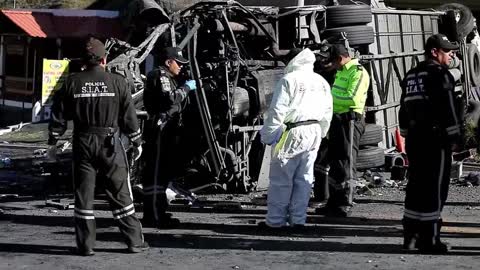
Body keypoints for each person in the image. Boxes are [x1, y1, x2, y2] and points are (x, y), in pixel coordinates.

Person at [48, 37, 148, 256]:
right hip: (110, 143)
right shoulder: (118, 82)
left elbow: (58, 117)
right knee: (120, 193)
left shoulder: (71, 82)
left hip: (83, 143)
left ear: (84, 60)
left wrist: (53, 144)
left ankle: (85, 245)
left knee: (84, 195)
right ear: (104, 59)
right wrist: (137, 141)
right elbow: (129, 118)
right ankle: (134, 242)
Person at [399, 33, 461, 254]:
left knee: (416, 186)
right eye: (447, 51)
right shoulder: (440, 74)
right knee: (435, 187)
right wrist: (454, 137)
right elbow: (449, 108)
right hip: (435, 138)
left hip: (415, 138)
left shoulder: (411, 74)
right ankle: (430, 239)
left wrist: (406, 132)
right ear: (434, 52)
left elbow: (403, 107)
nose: (451, 54)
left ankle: (411, 237)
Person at [259, 48, 332, 228]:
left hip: (293, 131)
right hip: (314, 131)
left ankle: (275, 222)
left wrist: (268, 136)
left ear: (293, 60)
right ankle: (298, 220)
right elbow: (328, 110)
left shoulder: (288, 80)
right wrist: (322, 132)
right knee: (304, 179)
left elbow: (277, 112)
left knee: (281, 179)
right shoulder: (321, 81)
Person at [141, 46, 196, 228]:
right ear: (168, 62)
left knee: (162, 173)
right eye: (178, 63)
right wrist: (186, 88)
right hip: (159, 130)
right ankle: (154, 216)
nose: (180, 67)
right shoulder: (160, 76)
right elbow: (170, 99)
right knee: (156, 173)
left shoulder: (165, 77)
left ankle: (158, 212)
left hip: (165, 130)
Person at [314, 44, 370, 217]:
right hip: (338, 119)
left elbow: (352, 98)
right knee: (336, 161)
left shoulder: (358, 72)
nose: (332, 66)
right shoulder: (341, 71)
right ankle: (333, 201)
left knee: (346, 161)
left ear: (339, 58)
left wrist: (328, 99)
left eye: (333, 62)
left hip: (350, 120)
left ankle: (345, 202)